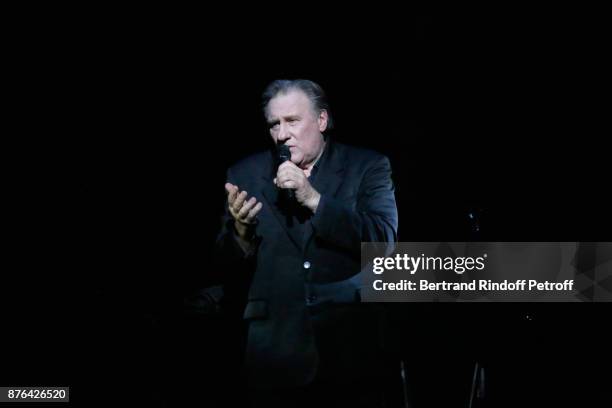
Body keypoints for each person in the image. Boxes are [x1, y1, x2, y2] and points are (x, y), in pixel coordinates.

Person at [214, 79, 399, 407]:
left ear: (322, 121)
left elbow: (382, 243)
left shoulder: (367, 166)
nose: (282, 134)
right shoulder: (244, 174)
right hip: (274, 352)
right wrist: (241, 234)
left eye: (292, 121)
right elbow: (221, 267)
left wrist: (314, 199)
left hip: (350, 352)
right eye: (274, 124)